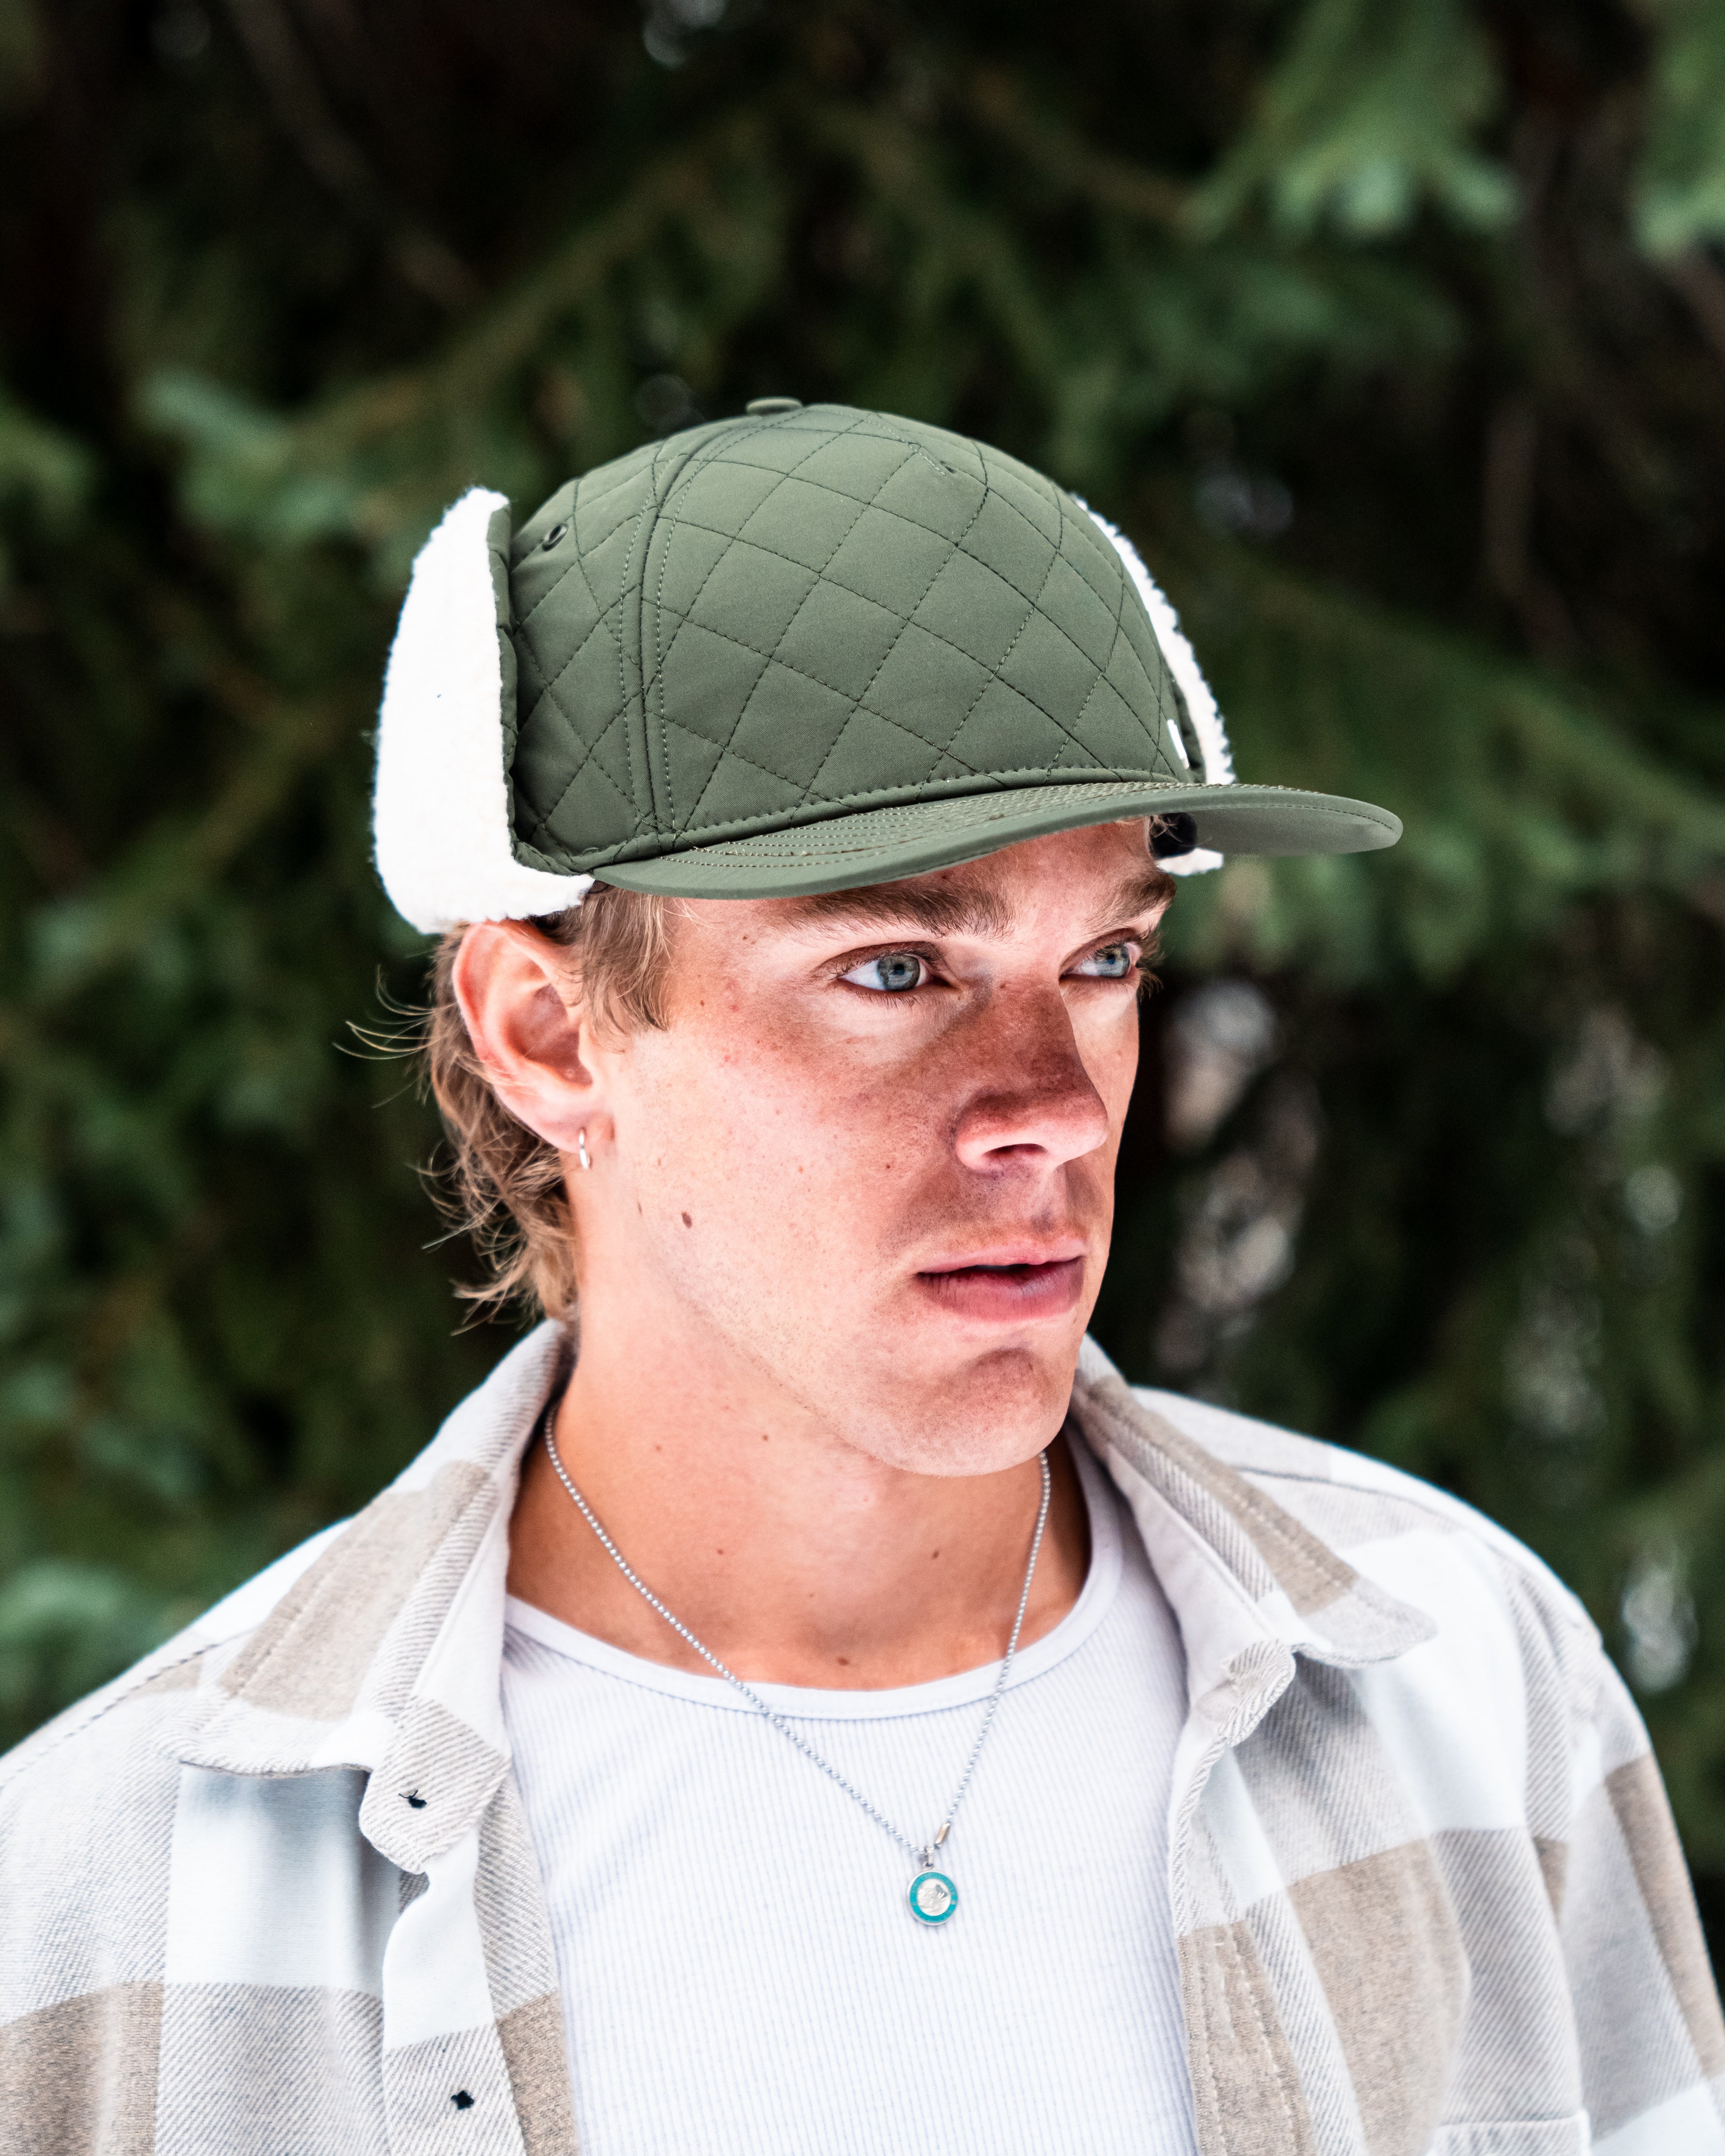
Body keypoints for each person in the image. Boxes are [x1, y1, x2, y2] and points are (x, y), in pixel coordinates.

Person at [2, 401, 1719, 2156]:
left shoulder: (1459, 1676)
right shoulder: (106, 1913)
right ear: (548, 1034)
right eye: (898, 970)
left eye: (1105, 959)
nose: (1056, 1109)